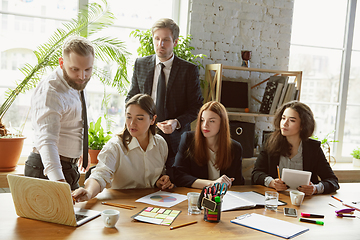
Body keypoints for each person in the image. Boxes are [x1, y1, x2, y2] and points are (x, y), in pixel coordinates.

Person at [126, 18, 203, 177]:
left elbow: (196, 107)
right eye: (157, 39)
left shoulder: (189, 70)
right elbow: (131, 98)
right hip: (143, 135)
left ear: (175, 42)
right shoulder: (140, 64)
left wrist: (178, 122)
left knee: (170, 184)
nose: (160, 44)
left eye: (166, 40)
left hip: (174, 141)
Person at [72, 94, 174, 202]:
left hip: (152, 204)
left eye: (139, 118)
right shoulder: (115, 146)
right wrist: (88, 192)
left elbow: (157, 175)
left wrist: (159, 181)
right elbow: (100, 175)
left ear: (153, 120)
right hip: (123, 205)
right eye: (129, 117)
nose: (132, 123)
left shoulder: (161, 144)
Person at [25, 36, 93, 190]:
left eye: (88, 69)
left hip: (69, 168)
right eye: (75, 69)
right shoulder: (51, 91)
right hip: (46, 170)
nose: (82, 76)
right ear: (61, 63)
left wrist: (80, 149)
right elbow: (47, 141)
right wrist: (59, 183)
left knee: (80, 214)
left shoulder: (77, 82)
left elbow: (74, 121)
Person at [251, 101, 339, 195]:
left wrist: (315, 188)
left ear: (302, 125)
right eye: (283, 118)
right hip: (276, 199)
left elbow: (333, 181)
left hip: (304, 201)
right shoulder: (269, 141)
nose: (284, 124)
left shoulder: (313, 148)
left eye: (292, 120)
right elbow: (256, 174)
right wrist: (271, 182)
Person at [172, 101, 245, 189]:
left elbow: (238, 182)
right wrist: (212, 184)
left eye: (211, 121)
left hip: (224, 197)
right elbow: (178, 175)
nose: (205, 125)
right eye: (202, 120)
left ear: (222, 123)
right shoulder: (188, 139)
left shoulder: (235, 148)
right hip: (196, 196)